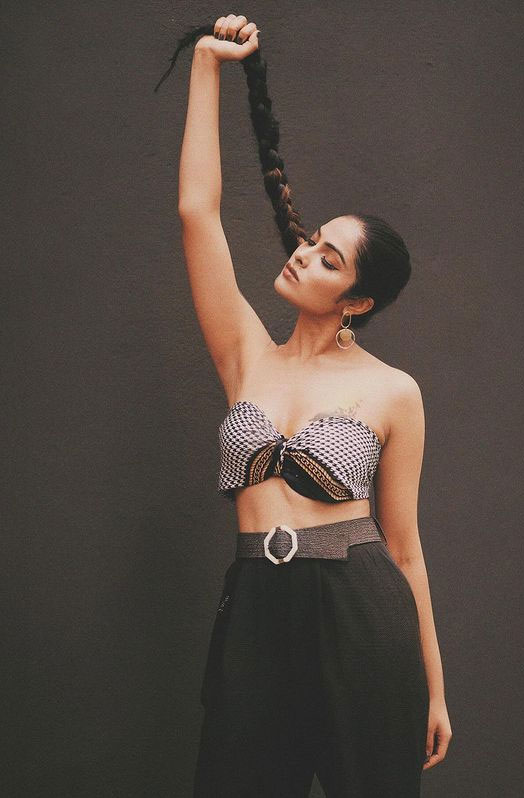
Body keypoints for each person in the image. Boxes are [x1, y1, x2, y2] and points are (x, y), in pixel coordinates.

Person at [161, 11, 452, 797]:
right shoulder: (245, 354)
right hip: (256, 606)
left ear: (356, 300)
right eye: (311, 239)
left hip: (360, 612)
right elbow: (196, 213)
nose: (302, 254)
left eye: (328, 260)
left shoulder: (394, 392)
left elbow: (406, 549)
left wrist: (434, 686)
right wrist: (207, 66)